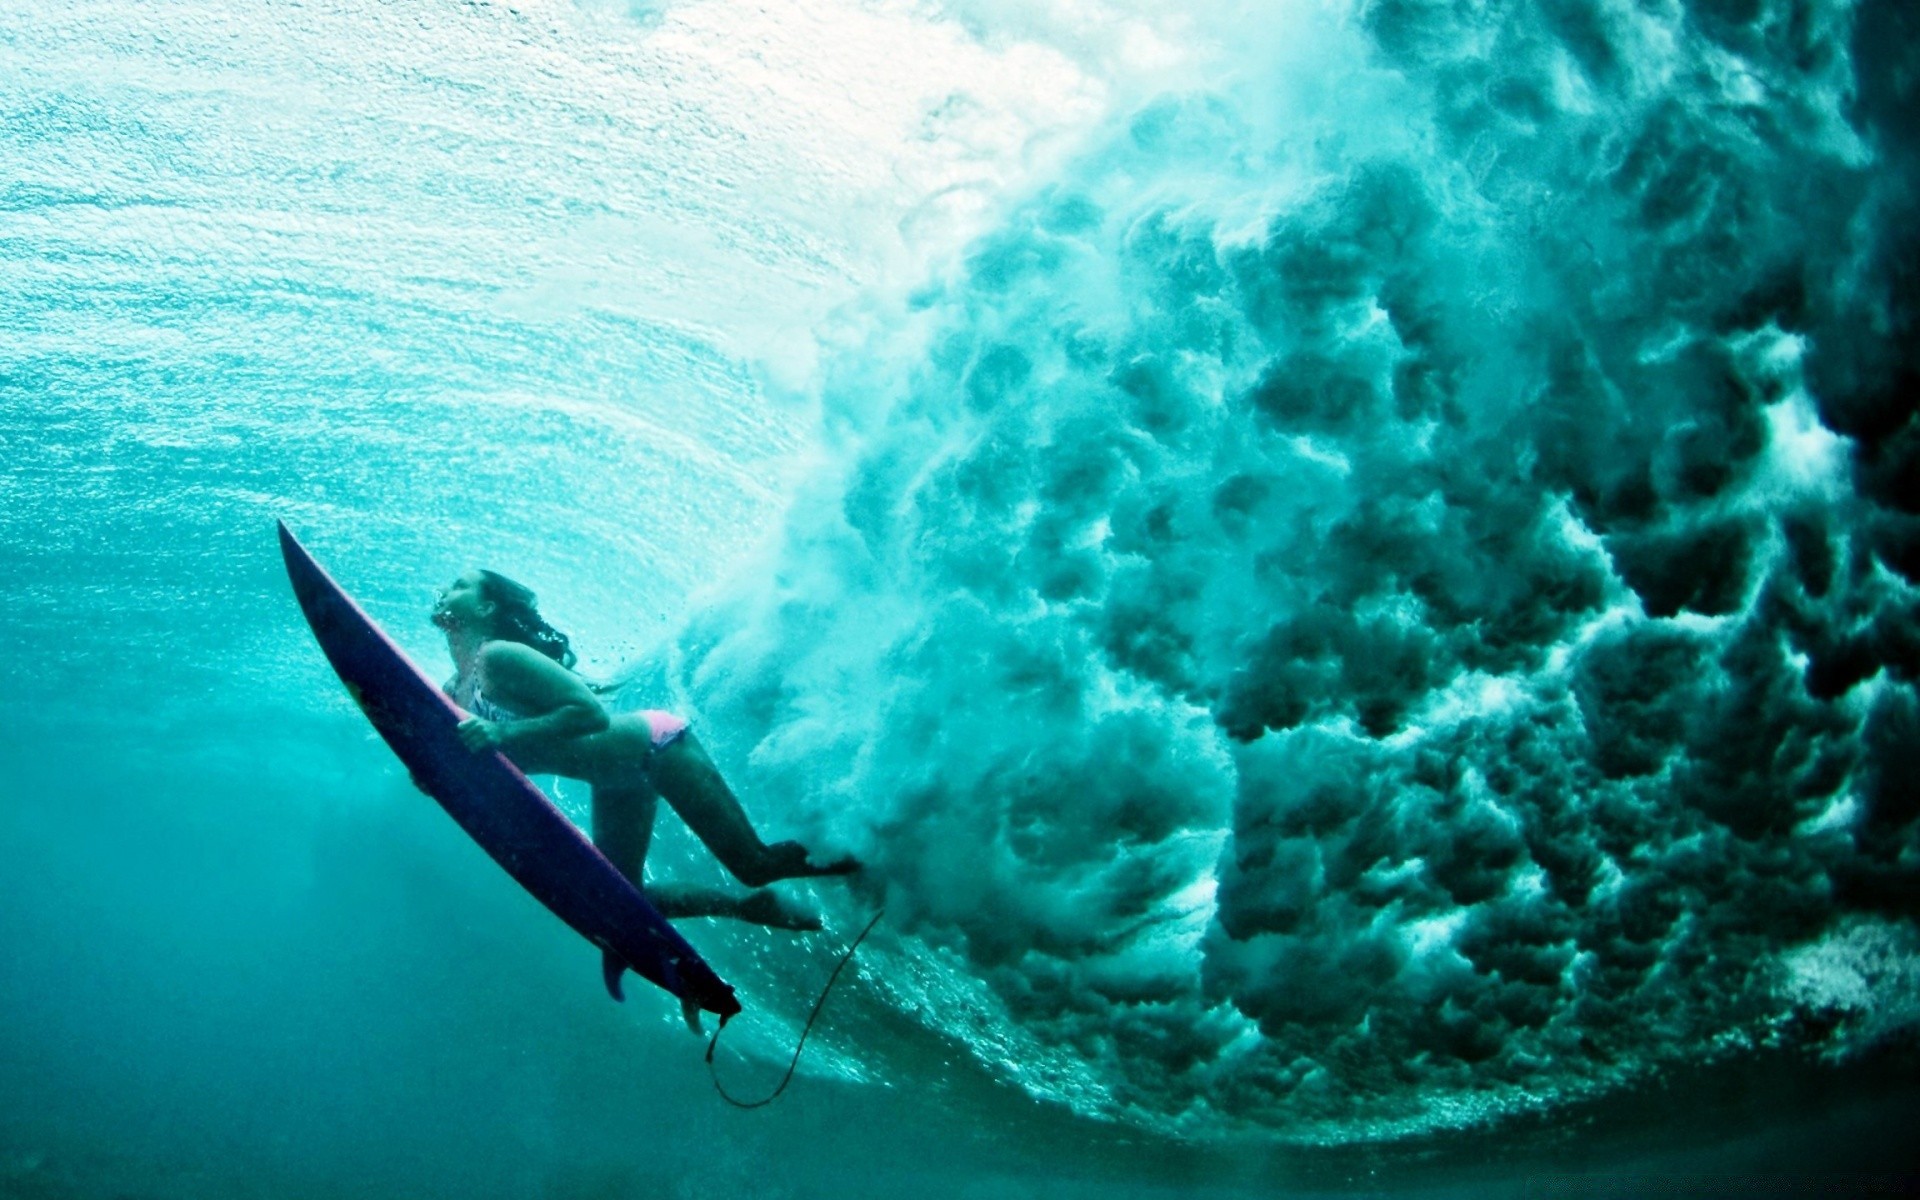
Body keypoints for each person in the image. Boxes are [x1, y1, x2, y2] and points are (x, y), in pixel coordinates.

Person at [431, 568, 856, 930]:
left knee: (754, 865)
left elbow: (589, 713)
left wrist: (503, 735)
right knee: (623, 898)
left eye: (460, 586)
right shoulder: (456, 692)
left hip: (656, 750)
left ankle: (873, 855)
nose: (447, 592)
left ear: (487, 607)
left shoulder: (499, 658)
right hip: (615, 779)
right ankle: (743, 908)